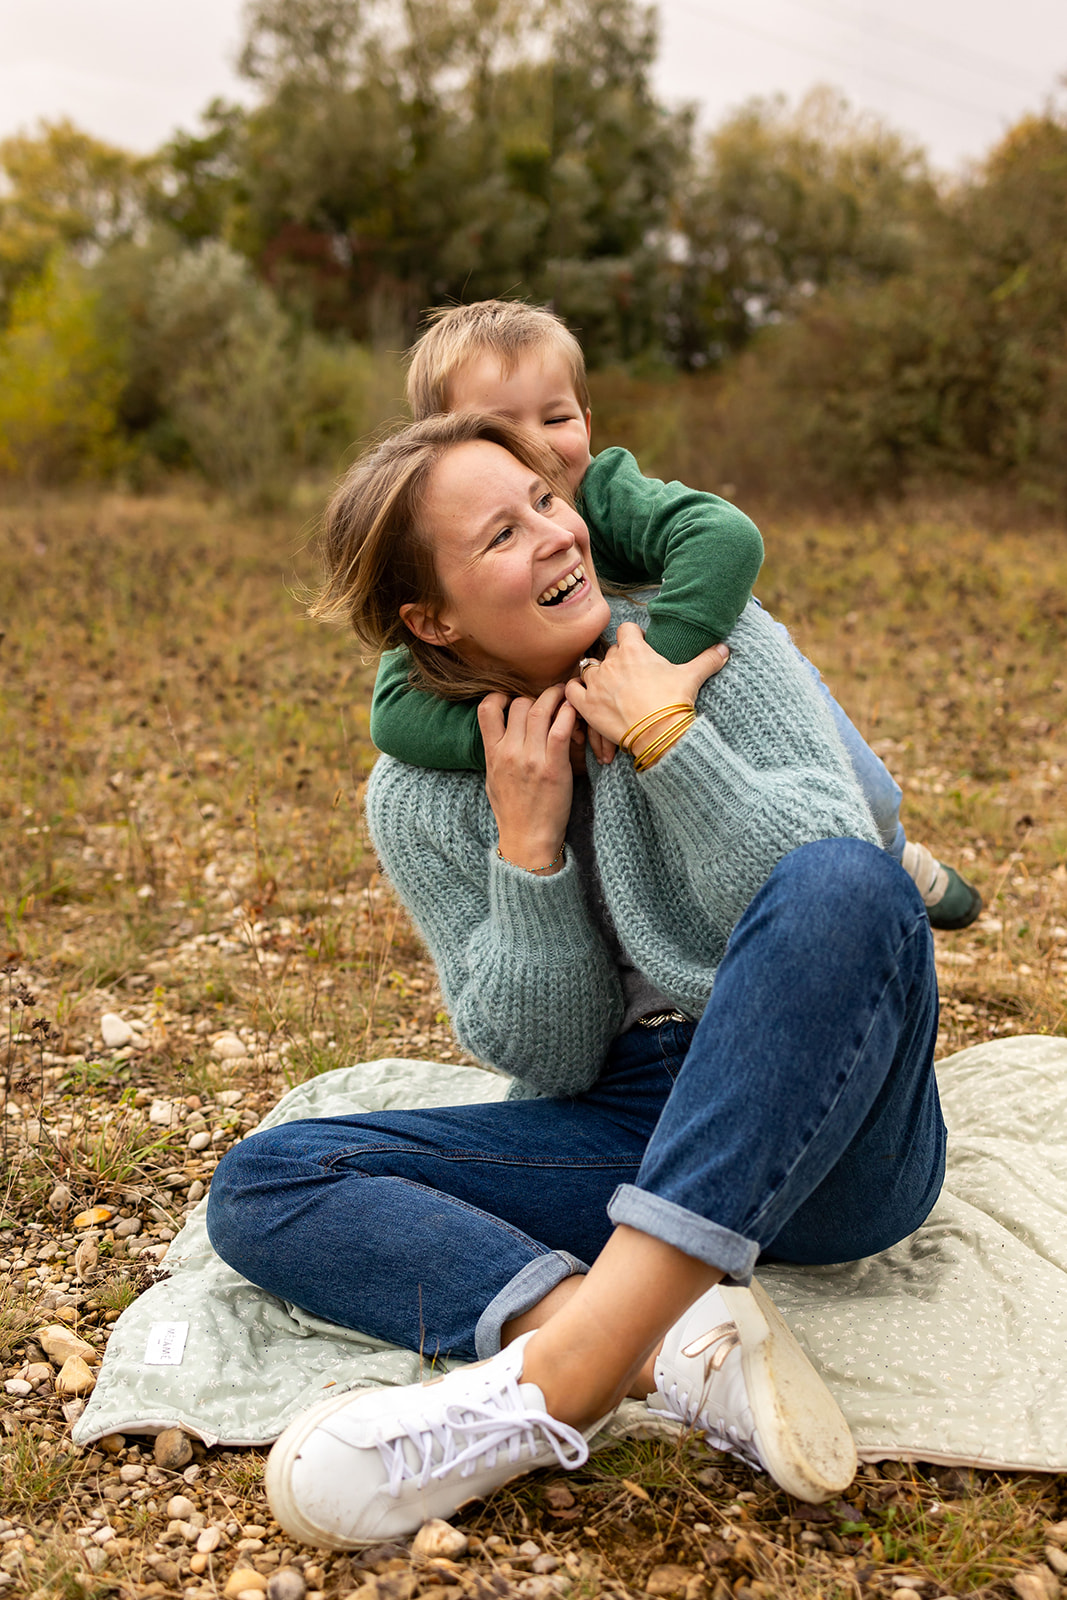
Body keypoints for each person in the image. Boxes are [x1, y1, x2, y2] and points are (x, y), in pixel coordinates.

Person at [206, 411, 945, 1551]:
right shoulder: (415, 796)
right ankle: (657, 1350)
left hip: (838, 1142)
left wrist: (667, 737)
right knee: (268, 1180)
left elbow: (834, 910)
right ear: (430, 617)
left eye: (546, 503)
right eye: (502, 533)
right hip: (632, 1125)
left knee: (848, 881)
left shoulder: (713, 644)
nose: (558, 536)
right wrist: (527, 853)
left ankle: (562, 1375)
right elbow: (545, 1060)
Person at [371, 298, 982, 932]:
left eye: (555, 417)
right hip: (603, 728)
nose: (536, 445)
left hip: (715, 672)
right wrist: (539, 731)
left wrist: (658, 660)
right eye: (502, 425)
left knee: (860, 788)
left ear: (586, 420)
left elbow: (722, 536)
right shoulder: (439, 567)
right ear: (439, 443)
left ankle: (895, 852)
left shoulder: (607, 492)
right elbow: (393, 713)